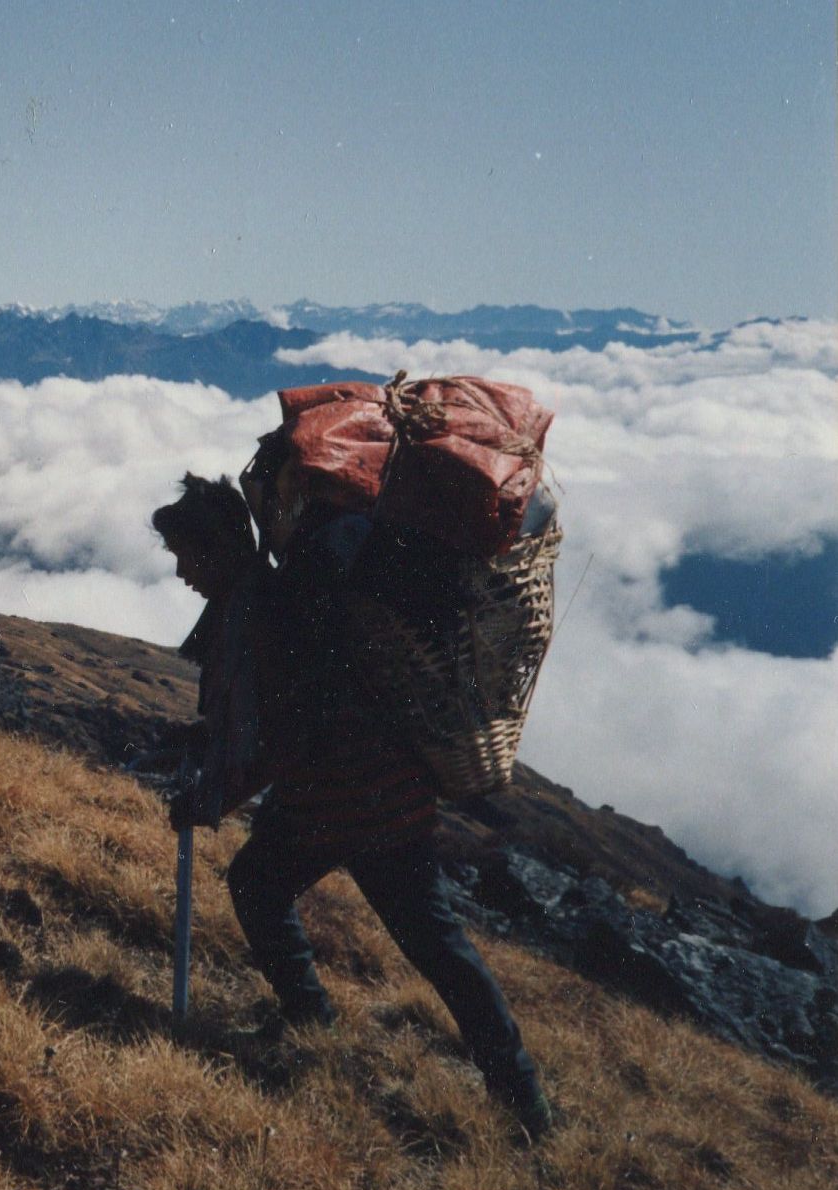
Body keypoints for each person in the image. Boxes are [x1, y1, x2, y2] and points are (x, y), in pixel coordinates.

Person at [151, 473, 553, 1142]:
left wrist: (209, 800)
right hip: (350, 796)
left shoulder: (266, 613)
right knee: (284, 892)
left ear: (218, 550)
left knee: (427, 944)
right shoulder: (257, 602)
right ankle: (324, 1022)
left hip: (360, 805)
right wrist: (207, 757)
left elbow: (278, 739)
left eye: (185, 556)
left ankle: (519, 1097)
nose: (180, 572)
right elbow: (260, 726)